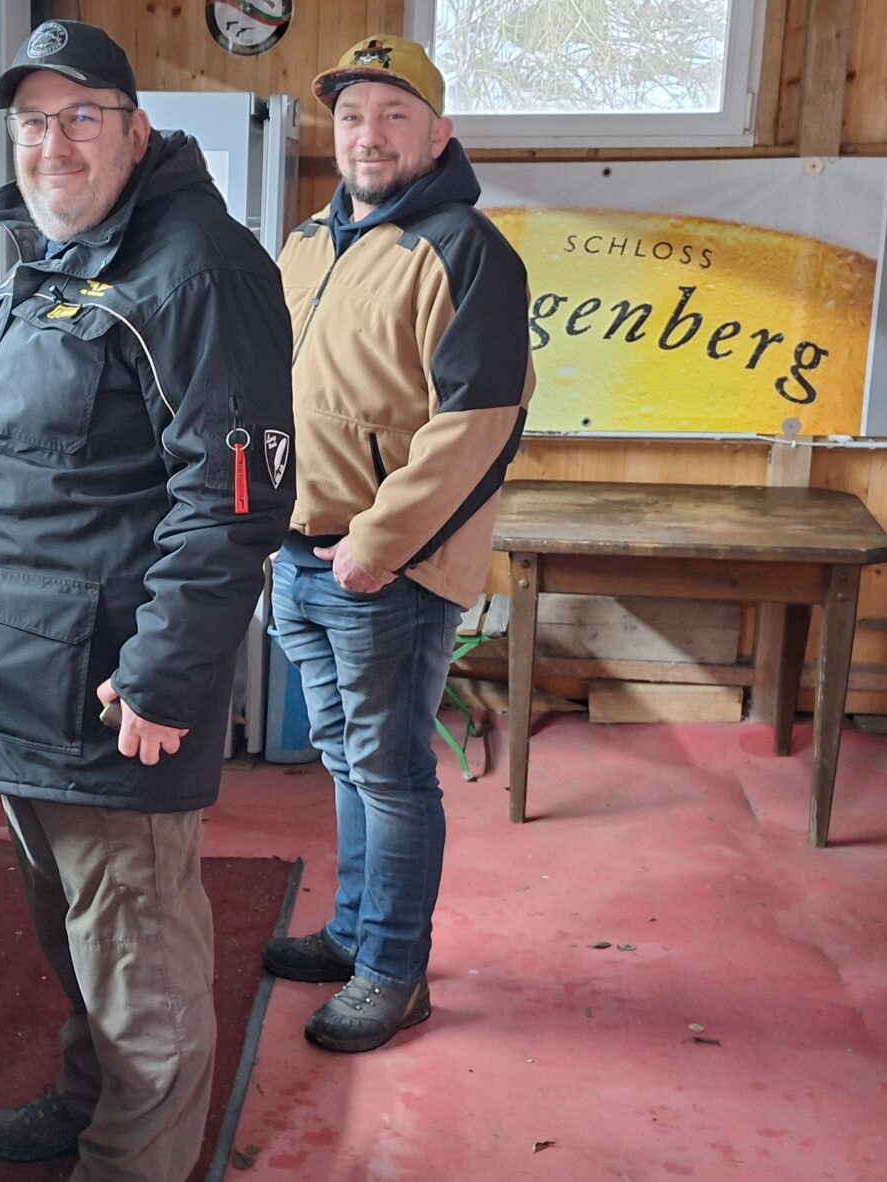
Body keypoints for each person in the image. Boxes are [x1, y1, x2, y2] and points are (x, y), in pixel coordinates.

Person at [0, 19, 294, 1180]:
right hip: (21, 691)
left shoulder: (197, 271)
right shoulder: (56, 257)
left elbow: (233, 501)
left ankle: (132, 1159)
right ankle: (88, 1097)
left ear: (137, 131)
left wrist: (162, 675)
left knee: (142, 978)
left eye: (80, 118)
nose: (52, 146)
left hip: (109, 700)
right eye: (32, 123)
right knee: (79, 942)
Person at [261, 35, 533, 1054]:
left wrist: (376, 546)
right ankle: (352, 932)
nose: (367, 135)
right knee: (344, 760)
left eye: (394, 115)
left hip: (386, 571)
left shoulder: (467, 250)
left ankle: (392, 971)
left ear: (438, 134)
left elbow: (478, 424)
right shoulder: (304, 244)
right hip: (298, 552)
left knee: (389, 770)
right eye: (351, 116)